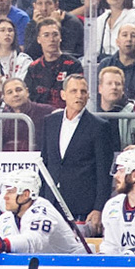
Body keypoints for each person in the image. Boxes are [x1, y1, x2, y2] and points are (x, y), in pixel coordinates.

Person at [38, 74, 115, 229]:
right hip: (51, 204)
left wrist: (98, 208)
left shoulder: (99, 127)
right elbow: (45, 163)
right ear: (63, 94)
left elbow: (103, 172)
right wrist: (40, 201)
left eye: (83, 91)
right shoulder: (50, 122)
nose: (79, 95)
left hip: (82, 207)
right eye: (74, 91)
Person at [0, 165, 89, 261]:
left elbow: (35, 242)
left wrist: (2, 244)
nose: (5, 197)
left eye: (11, 192)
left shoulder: (43, 211)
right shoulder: (6, 218)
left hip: (75, 268)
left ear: (26, 194)